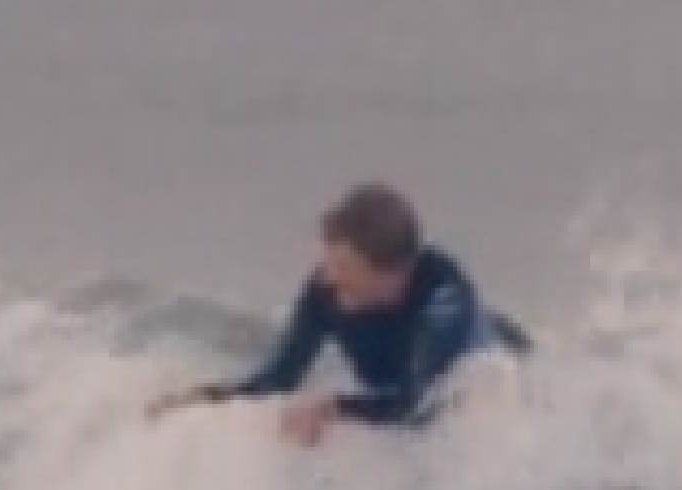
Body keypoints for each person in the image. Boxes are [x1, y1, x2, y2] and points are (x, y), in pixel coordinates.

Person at [223, 184, 525, 447]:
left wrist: (333, 408)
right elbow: (279, 378)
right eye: (328, 262)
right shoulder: (327, 289)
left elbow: (415, 405)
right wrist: (205, 398)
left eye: (344, 267)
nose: (329, 278)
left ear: (395, 274)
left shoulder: (443, 302)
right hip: (404, 390)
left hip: (500, 377)